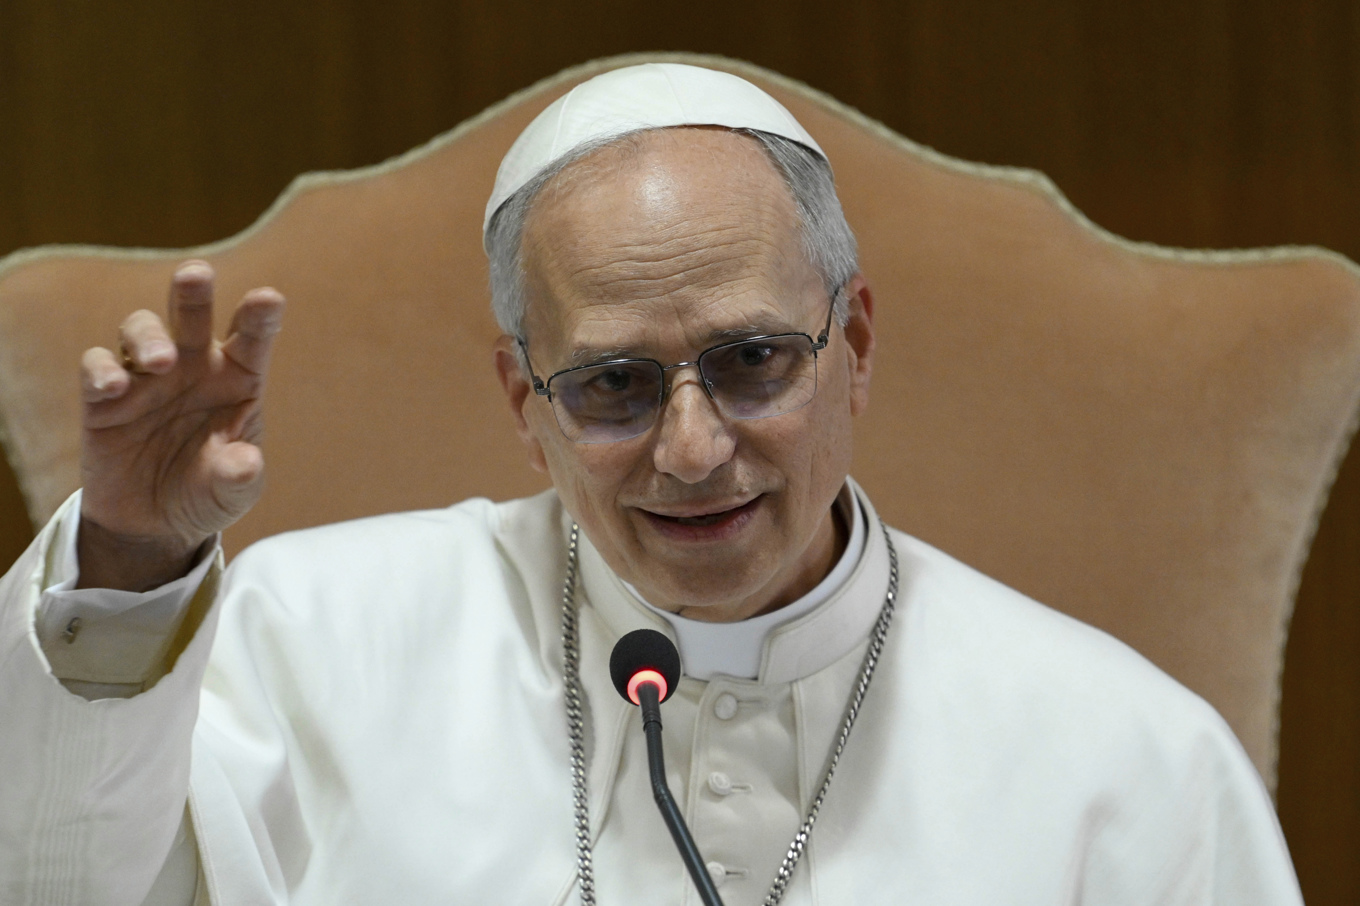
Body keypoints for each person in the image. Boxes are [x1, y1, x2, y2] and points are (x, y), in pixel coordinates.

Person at [0, 64, 1302, 906]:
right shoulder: (306, 640)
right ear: (526, 403)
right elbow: (61, 882)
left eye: (749, 362)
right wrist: (122, 562)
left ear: (852, 346)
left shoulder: (1130, 758)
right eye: (614, 384)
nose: (691, 449)